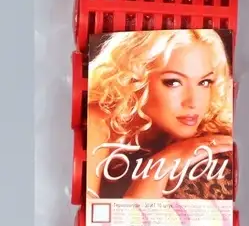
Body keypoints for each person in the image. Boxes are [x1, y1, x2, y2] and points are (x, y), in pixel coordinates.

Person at [86, 29, 233, 199]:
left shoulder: (210, 129)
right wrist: (158, 168)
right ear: (134, 80)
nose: (193, 102)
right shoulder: (96, 121)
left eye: (204, 82)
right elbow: (86, 216)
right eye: (173, 82)